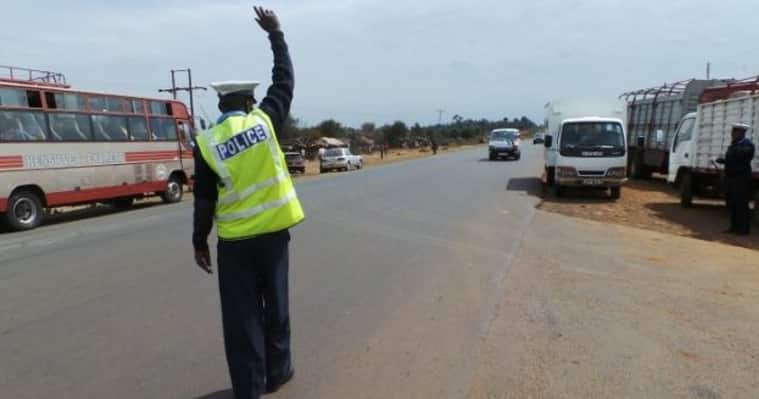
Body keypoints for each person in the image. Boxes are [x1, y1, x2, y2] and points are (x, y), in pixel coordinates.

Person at [192, 6, 304, 399]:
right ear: (249, 101)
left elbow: (203, 199)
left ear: (222, 105)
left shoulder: (206, 142)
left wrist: (198, 241)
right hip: (273, 236)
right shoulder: (265, 121)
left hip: (235, 244)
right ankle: (279, 372)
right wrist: (276, 34)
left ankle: (249, 388)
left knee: (243, 320)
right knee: (277, 308)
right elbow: (285, 82)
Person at [717, 123, 755, 236]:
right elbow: (732, 158)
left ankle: (743, 230)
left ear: (742, 133)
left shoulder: (748, 145)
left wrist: (734, 149)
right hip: (731, 179)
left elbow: (743, 155)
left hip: (741, 180)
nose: (732, 134)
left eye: (735, 132)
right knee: (732, 204)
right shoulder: (733, 145)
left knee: (741, 205)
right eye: (732, 132)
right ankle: (733, 227)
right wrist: (723, 161)